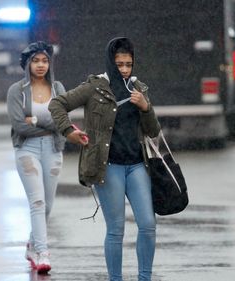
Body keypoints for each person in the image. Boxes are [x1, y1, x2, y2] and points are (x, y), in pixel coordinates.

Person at [49, 37, 161, 281]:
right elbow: (57, 104)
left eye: (128, 64)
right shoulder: (95, 87)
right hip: (108, 166)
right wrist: (70, 131)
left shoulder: (138, 87)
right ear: (111, 62)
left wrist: (145, 107)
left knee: (148, 225)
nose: (124, 69)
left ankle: (145, 278)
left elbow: (153, 131)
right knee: (116, 230)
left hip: (136, 165)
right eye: (119, 64)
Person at [7, 41, 66, 274]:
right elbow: (19, 127)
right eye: (35, 60)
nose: (40, 65)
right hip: (27, 150)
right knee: (37, 202)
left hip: (53, 149)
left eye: (44, 60)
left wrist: (36, 121)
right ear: (27, 64)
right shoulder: (17, 90)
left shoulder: (59, 88)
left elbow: (62, 122)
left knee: (48, 205)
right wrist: (48, 124)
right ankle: (42, 251)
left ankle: (32, 244)